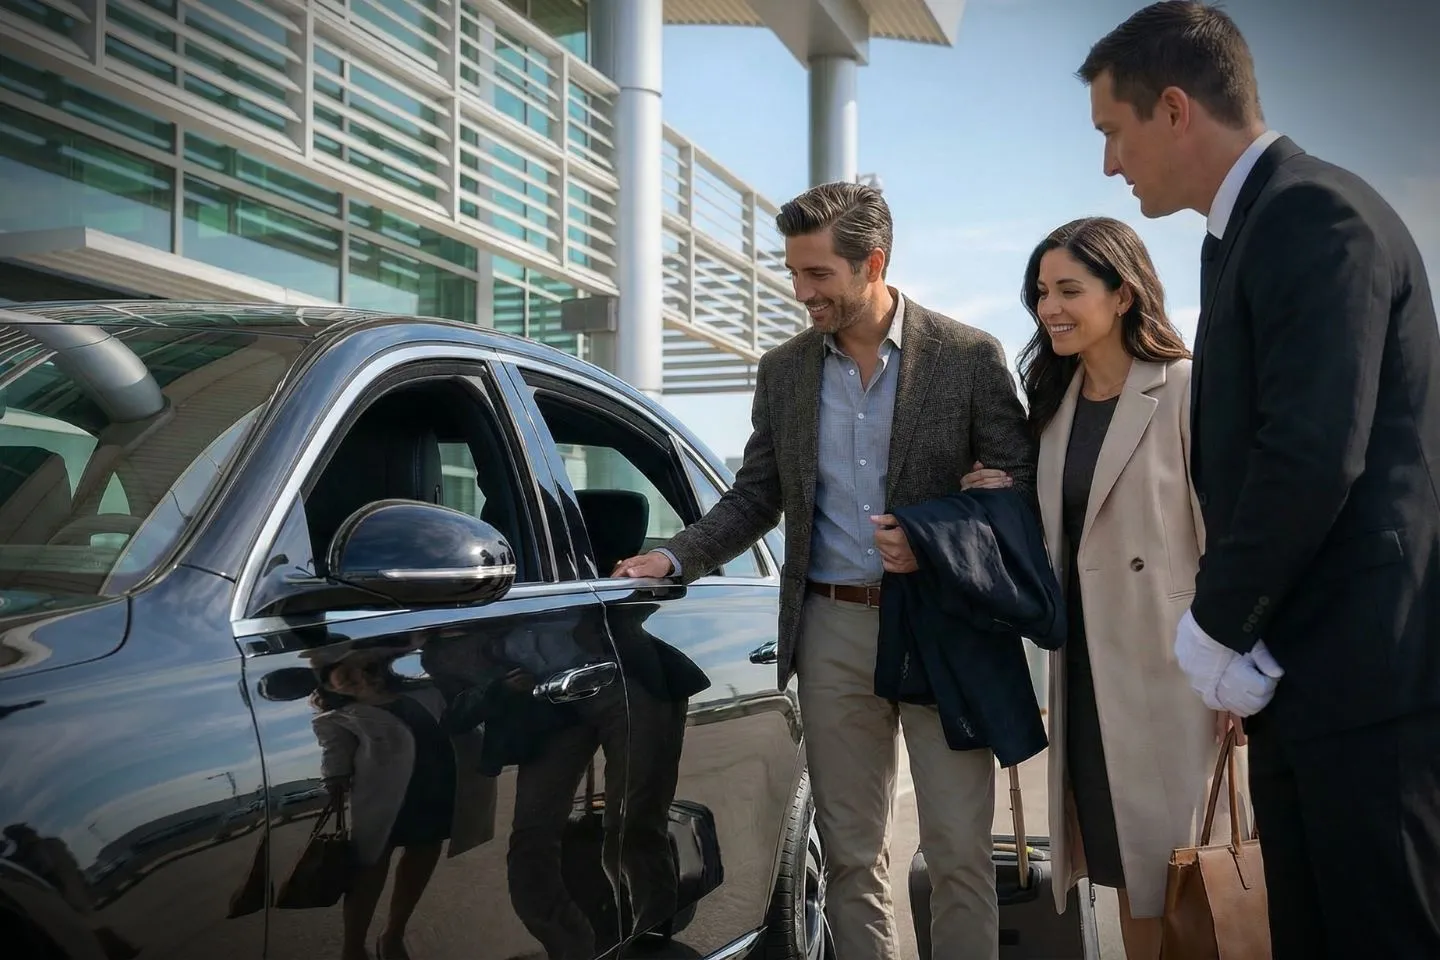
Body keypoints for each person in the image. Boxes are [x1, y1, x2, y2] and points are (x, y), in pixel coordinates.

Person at [1077, 3, 1440, 957]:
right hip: (1305, 680)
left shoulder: (1314, 215)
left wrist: (1216, 626)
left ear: (1174, 109)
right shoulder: (1247, 231)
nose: (1109, 164)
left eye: (1114, 132)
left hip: (1367, 686)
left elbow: (1311, 451)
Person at [612, 181, 1037, 960]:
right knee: (849, 853)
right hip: (832, 628)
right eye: (794, 273)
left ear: (873, 263)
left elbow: (1019, 490)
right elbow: (756, 496)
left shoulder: (969, 357)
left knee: (958, 851)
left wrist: (936, 538)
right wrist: (675, 555)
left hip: (944, 629)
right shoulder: (784, 372)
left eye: (818, 275)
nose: (801, 292)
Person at [962, 216, 1247, 960]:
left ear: (1123, 295)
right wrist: (1001, 496)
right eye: (1040, 292)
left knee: (1189, 873)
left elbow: (1226, 533)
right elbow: (1065, 535)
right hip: (1087, 673)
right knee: (1124, 867)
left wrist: (1234, 665)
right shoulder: (1053, 406)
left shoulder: (1184, 387)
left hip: (1177, 669)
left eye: (1068, 290)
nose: (1048, 308)